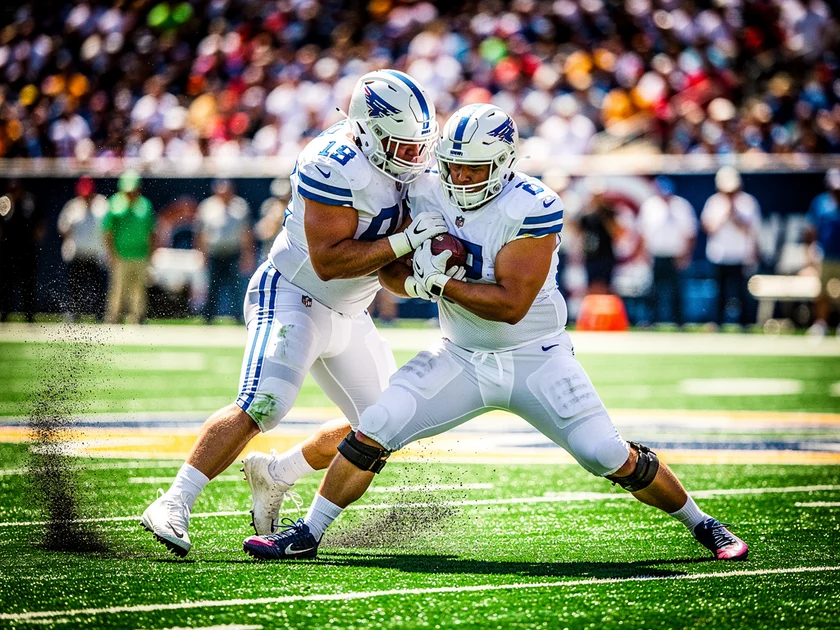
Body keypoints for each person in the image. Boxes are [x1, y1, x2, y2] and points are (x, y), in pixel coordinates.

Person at [241, 104, 749, 564]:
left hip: (535, 356)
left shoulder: (531, 205)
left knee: (606, 454)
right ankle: (307, 532)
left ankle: (703, 524)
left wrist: (437, 282)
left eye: (473, 167)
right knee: (376, 423)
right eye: (453, 164)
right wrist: (415, 281)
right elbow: (390, 271)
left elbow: (510, 305)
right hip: (459, 354)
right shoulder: (423, 187)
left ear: (504, 164)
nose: (460, 176)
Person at [140, 70, 446, 557]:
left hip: (352, 311)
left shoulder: (409, 167)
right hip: (295, 294)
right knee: (264, 404)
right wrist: (407, 240)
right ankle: (174, 501)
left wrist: (424, 275)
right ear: (367, 131)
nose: (413, 156)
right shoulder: (333, 163)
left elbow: (387, 270)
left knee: (385, 424)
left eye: (417, 145)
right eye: (400, 145)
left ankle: (276, 474)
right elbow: (329, 261)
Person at [700, 167, 761, 328]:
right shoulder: (713, 202)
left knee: (742, 292)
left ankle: (745, 325)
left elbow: (750, 229)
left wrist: (734, 213)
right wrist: (725, 214)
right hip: (719, 255)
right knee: (719, 292)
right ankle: (717, 323)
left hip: (740, 255)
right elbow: (709, 228)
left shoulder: (748, 202)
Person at [638, 177, 697, 326]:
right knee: (654, 290)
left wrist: (686, 254)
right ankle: (653, 320)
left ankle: (679, 321)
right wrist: (644, 253)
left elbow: (690, 233)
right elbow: (643, 233)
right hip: (656, 254)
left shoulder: (681, 206)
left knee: (676, 289)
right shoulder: (650, 206)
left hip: (675, 255)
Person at [195, 179, 254, 323]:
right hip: (214, 253)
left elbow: (246, 233)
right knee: (212, 287)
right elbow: (201, 233)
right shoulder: (207, 206)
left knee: (237, 288)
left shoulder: (240, 206)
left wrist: (247, 255)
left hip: (234, 253)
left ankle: (239, 317)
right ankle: (208, 317)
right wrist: (201, 254)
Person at [103, 171, 156, 324]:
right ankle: (113, 318)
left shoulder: (145, 205)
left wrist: (150, 254)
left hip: (141, 254)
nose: (131, 194)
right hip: (121, 254)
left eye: (133, 190)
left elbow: (152, 232)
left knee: (139, 289)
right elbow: (107, 233)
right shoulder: (114, 204)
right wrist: (111, 254)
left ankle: (138, 317)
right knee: (119, 288)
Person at [57, 176, 109, 321]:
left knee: (98, 287)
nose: (86, 197)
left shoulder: (102, 205)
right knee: (75, 288)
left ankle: (99, 315)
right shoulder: (73, 206)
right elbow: (62, 228)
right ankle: (74, 314)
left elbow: (108, 229)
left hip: (94, 254)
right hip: (77, 254)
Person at [0, 179, 44, 323]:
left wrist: (35, 238)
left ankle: (29, 315)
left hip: (27, 249)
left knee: (28, 284)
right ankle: (4, 313)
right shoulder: (4, 202)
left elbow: (39, 222)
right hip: (8, 250)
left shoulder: (29, 201)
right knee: (7, 284)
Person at [804, 168, 840, 336]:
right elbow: (811, 229)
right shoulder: (820, 203)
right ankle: (821, 324)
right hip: (825, 256)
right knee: (822, 293)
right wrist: (810, 252)